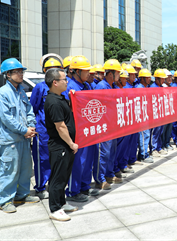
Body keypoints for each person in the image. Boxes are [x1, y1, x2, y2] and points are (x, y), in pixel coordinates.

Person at [0, 58, 39, 213]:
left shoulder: (21, 92)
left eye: (21, 71)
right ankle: (5, 200)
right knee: (9, 170)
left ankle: (22, 195)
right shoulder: (2, 94)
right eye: (17, 72)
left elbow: (29, 110)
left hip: (24, 138)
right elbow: (6, 119)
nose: (21, 74)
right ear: (7, 74)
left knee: (25, 168)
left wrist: (31, 126)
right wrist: (24, 130)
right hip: (10, 140)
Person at [44, 68, 79, 221]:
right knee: (58, 177)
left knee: (64, 175)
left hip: (66, 146)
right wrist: (71, 144)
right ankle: (55, 208)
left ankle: (61, 202)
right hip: (60, 145)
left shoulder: (60, 98)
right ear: (55, 82)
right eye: (64, 79)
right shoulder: (53, 102)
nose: (67, 82)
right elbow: (60, 126)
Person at [63, 56, 99, 202]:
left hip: (88, 129)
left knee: (88, 160)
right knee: (78, 161)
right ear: (76, 71)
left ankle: (84, 186)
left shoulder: (87, 86)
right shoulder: (70, 87)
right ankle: (73, 191)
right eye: (85, 71)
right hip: (77, 130)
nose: (89, 74)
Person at [30, 57, 63, 200]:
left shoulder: (61, 87)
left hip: (56, 129)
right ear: (45, 72)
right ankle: (40, 187)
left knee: (56, 158)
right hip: (43, 130)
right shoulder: (40, 87)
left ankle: (52, 183)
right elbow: (34, 107)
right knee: (42, 159)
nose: (54, 72)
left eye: (57, 69)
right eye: (50, 70)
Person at [94, 59, 122, 189]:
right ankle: (100, 179)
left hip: (112, 124)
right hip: (104, 125)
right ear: (110, 74)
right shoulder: (101, 86)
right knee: (104, 153)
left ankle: (109, 174)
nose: (119, 76)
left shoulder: (113, 86)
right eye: (117, 73)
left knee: (111, 151)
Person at [135, 68, 154, 163]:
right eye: (148, 77)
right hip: (142, 115)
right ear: (142, 78)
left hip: (146, 115)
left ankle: (143, 153)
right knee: (143, 135)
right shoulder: (139, 88)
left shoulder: (146, 88)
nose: (149, 79)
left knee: (146, 135)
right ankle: (143, 155)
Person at [150, 69, 167, 156]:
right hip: (155, 113)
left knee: (160, 131)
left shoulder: (161, 87)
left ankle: (159, 147)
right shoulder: (153, 87)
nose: (164, 80)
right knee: (155, 131)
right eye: (162, 79)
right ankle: (153, 149)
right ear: (157, 79)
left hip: (161, 112)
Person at [161, 69, 175, 152]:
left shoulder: (171, 86)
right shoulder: (162, 87)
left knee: (169, 128)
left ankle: (167, 143)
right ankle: (163, 144)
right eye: (168, 77)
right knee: (164, 129)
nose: (170, 79)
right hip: (164, 111)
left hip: (170, 110)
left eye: (170, 77)